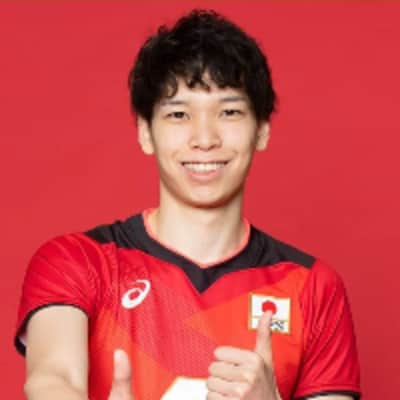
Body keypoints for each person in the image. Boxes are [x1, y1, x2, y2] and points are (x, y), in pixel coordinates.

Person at [14, 9, 361, 400]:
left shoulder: (312, 287)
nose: (205, 138)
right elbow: (52, 379)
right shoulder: (77, 261)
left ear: (262, 130)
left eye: (229, 112)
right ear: (146, 133)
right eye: (179, 114)